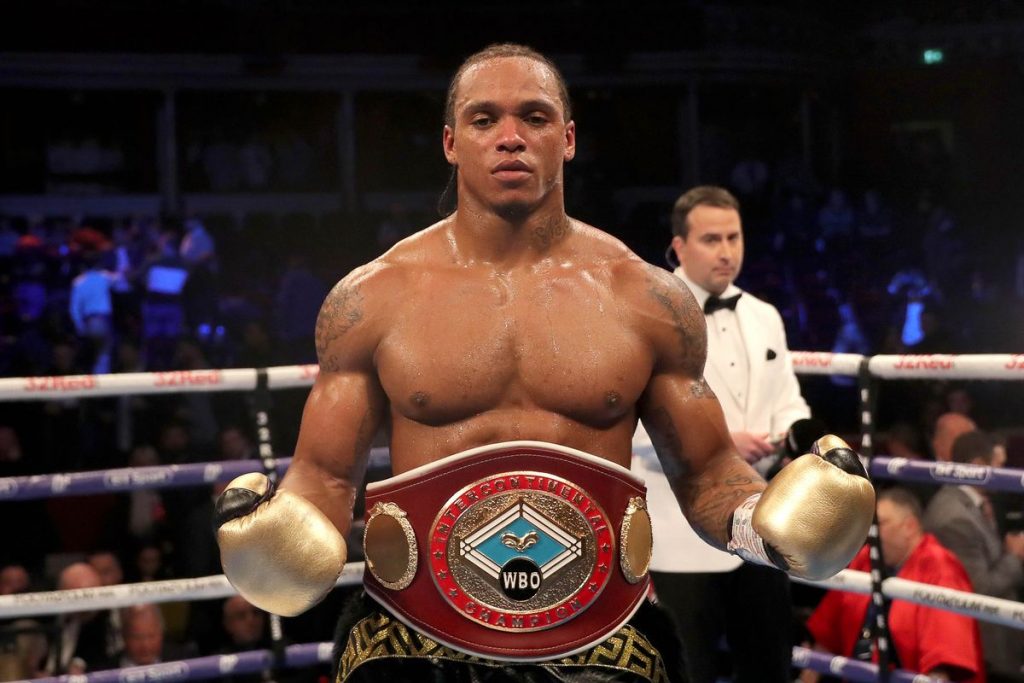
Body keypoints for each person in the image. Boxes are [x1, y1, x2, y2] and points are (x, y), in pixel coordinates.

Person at [213, 43, 875, 683]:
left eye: (534, 116)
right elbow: (326, 476)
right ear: (450, 143)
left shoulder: (646, 298)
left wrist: (766, 526)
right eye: (484, 119)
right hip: (414, 640)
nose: (511, 138)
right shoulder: (372, 299)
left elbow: (706, 472)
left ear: (568, 138)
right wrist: (284, 546)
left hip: (602, 645)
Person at [631, 185, 812, 683]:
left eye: (734, 237)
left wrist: (799, 435)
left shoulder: (764, 316)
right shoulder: (647, 314)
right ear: (679, 247)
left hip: (761, 525)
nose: (726, 251)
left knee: (770, 667)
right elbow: (631, 421)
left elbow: (788, 400)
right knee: (689, 672)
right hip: (677, 534)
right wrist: (722, 442)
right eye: (711, 239)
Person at [800, 487, 984, 682]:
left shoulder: (941, 568)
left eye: (879, 524)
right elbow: (827, 631)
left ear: (909, 527)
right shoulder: (867, 558)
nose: (871, 533)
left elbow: (943, 665)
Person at [923, 430, 1024, 682]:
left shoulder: (976, 504)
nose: (1003, 473)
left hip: (999, 639)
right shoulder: (954, 517)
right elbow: (980, 589)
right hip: (985, 646)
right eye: (999, 466)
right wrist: (1014, 555)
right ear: (978, 466)